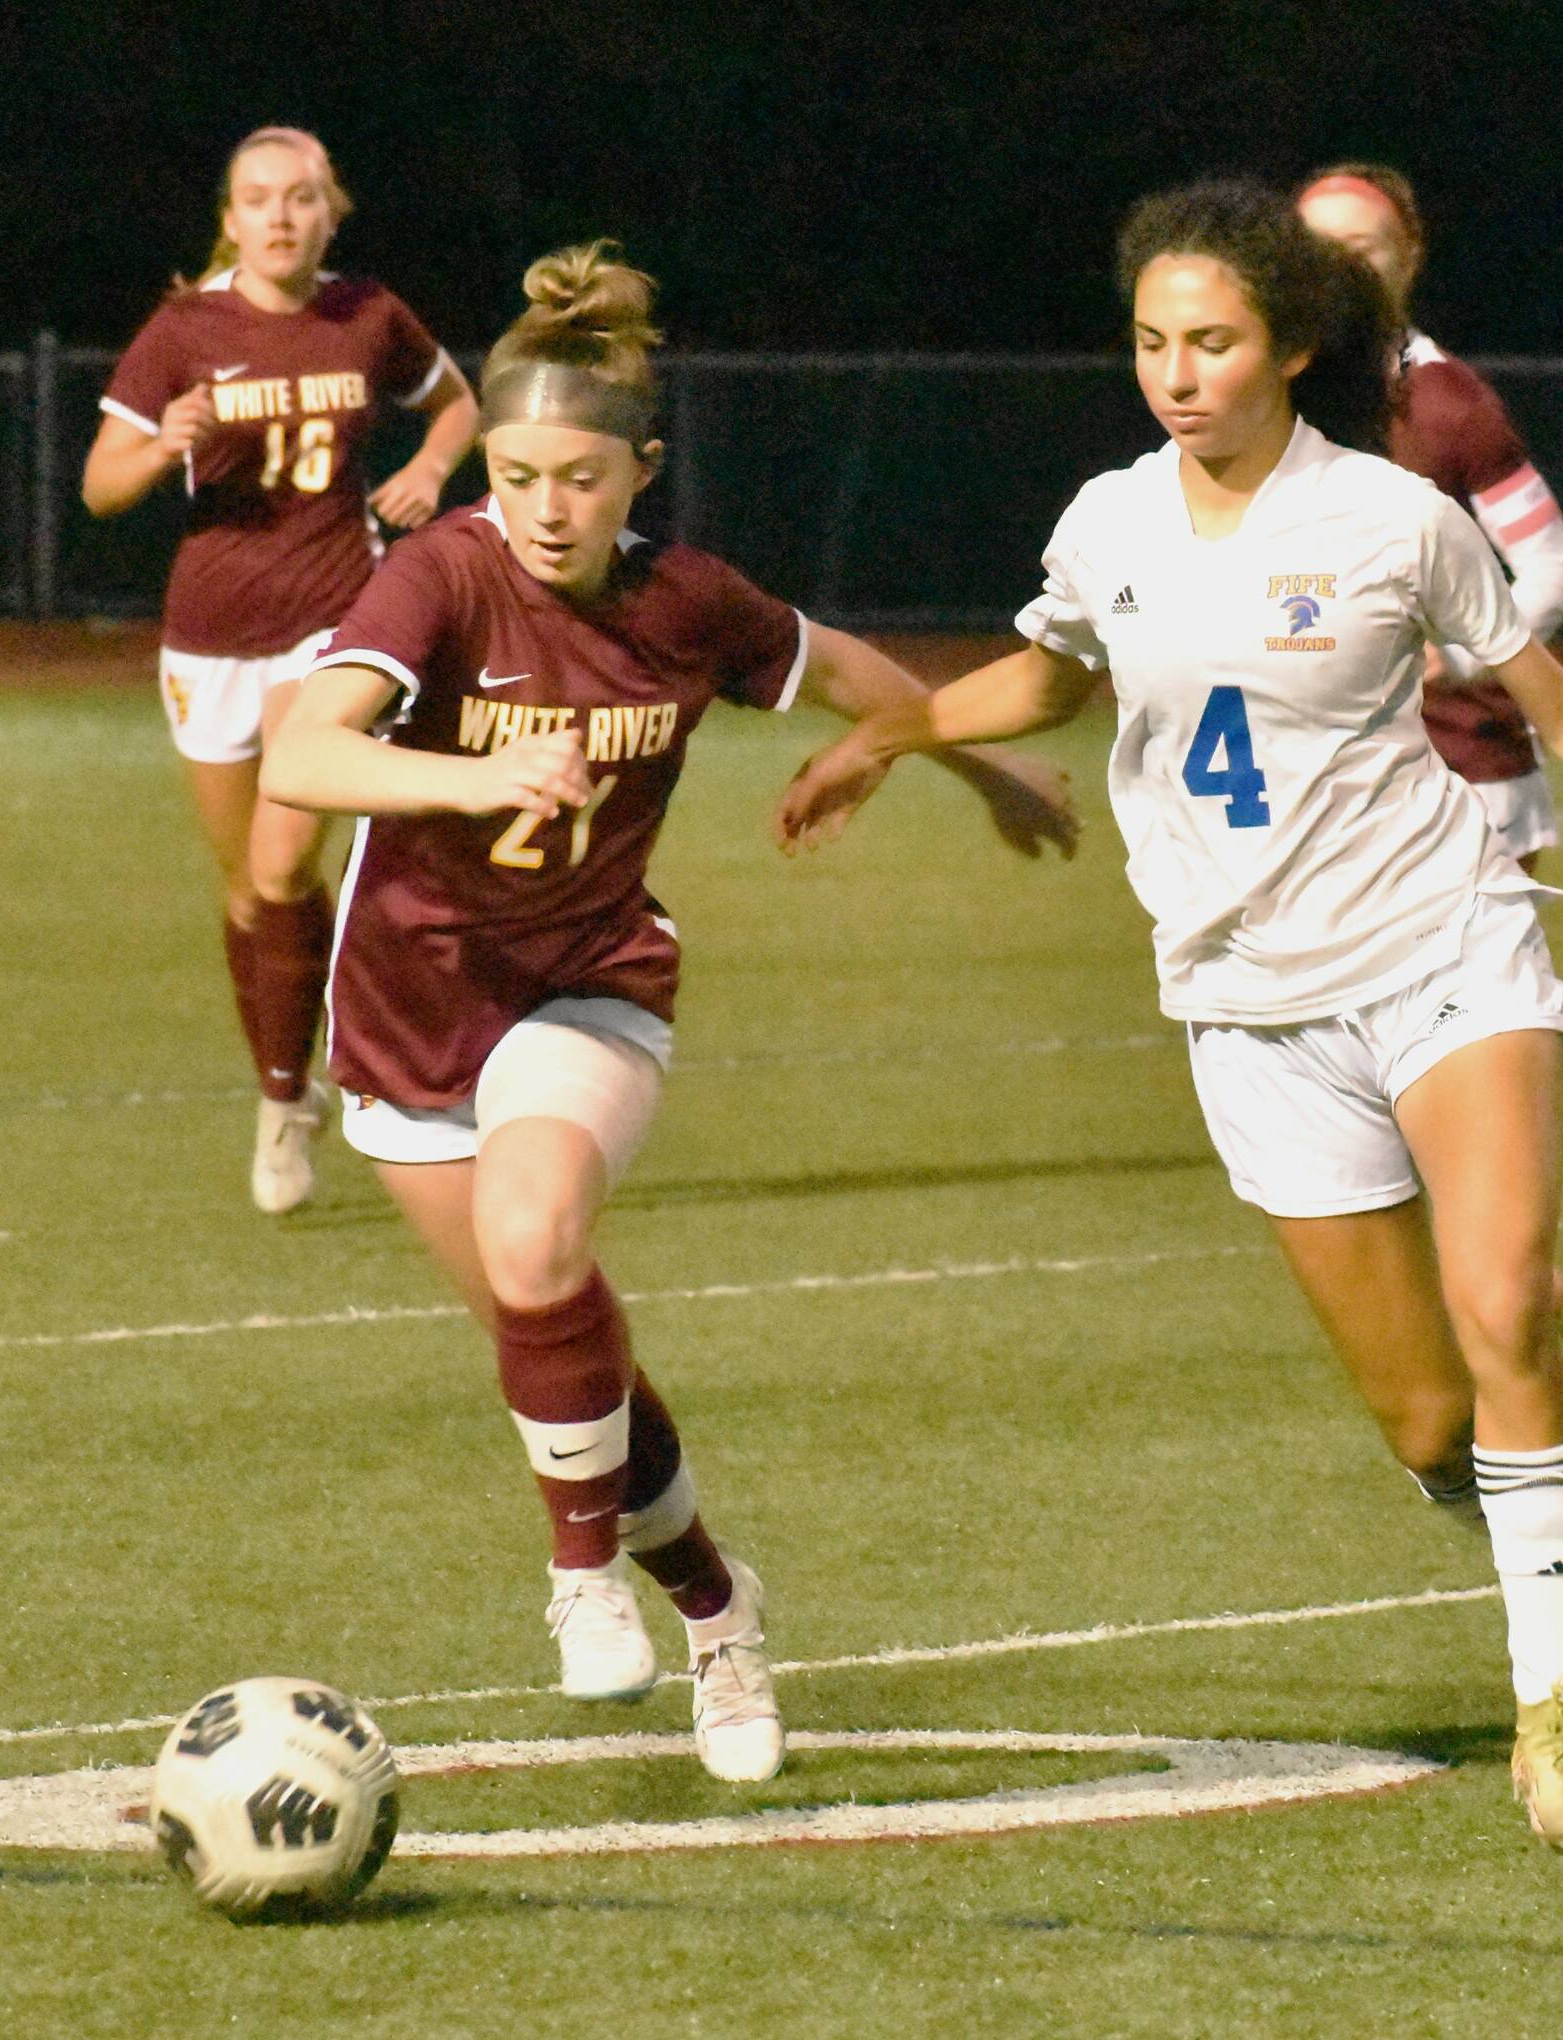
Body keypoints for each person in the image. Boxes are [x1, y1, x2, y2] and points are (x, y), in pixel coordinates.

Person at [777, 179, 1563, 1849]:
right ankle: (1511, 1505)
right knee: (1428, 1419)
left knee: (1504, 1307)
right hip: (1247, 1007)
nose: (1176, 374)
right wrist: (893, 738)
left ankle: (1552, 1717)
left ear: (1286, 345)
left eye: (1209, 342)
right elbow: (1051, 678)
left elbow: (1554, 700)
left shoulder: (1392, 516)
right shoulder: (1107, 524)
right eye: (1151, 343)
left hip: (1444, 945)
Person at [261, 242, 1078, 1782]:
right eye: (514, 474)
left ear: (642, 469)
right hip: (407, 1016)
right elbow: (309, 754)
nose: (545, 508)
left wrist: (980, 763)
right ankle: (715, 1606)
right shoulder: (441, 569)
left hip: (590, 984)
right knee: (556, 1335)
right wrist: (476, 772)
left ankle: (577, 1580)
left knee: (533, 1240)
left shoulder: (687, 603)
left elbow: (842, 674)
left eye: (579, 477)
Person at [82, 126, 479, 1214]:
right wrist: (164, 441)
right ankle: (288, 1080)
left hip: (331, 616)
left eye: (301, 197)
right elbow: (99, 486)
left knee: (280, 861)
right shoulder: (183, 327)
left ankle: (280, 1113)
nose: (280, 217)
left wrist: (432, 469)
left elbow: (456, 402)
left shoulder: (366, 314)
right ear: (231, 215)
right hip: (207, 633)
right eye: (259, 199)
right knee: (253, 894)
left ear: (330, 209)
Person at [1297, 163, 1563, 874]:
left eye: (1363, 247)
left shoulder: (1448, 405)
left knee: (1471, 990)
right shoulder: (1266, 394)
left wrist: (1455, 659)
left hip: (1458, 768)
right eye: (1315, 246)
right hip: (1314, 771)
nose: (1338, 267)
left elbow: (1554, 570)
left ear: (1410, 256)